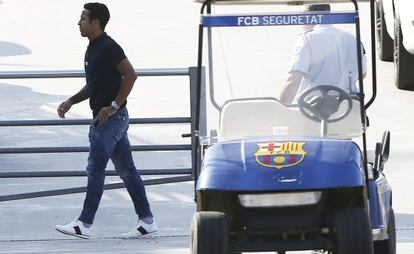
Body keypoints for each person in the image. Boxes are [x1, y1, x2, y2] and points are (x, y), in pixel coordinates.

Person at [55, 2, 157, 239]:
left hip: (111, 119)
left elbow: (131, 74)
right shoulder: (92, 49)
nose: (78, 23)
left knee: (95, 169)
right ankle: (147, 220)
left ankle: (84, 224)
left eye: (83, 18)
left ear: (95, 22)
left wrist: (113, 105)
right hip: (111, 118)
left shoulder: (109, 47)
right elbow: (94, 85)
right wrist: (72, 101)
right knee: (127, 171)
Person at [280, 4, 367, 104]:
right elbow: (363, 74)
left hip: (315, 109)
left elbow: (293, 80)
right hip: (349, 108)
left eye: (301, 14)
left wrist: (279, 111)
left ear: (307, 15)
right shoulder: (352, 39)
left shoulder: (306, 39)